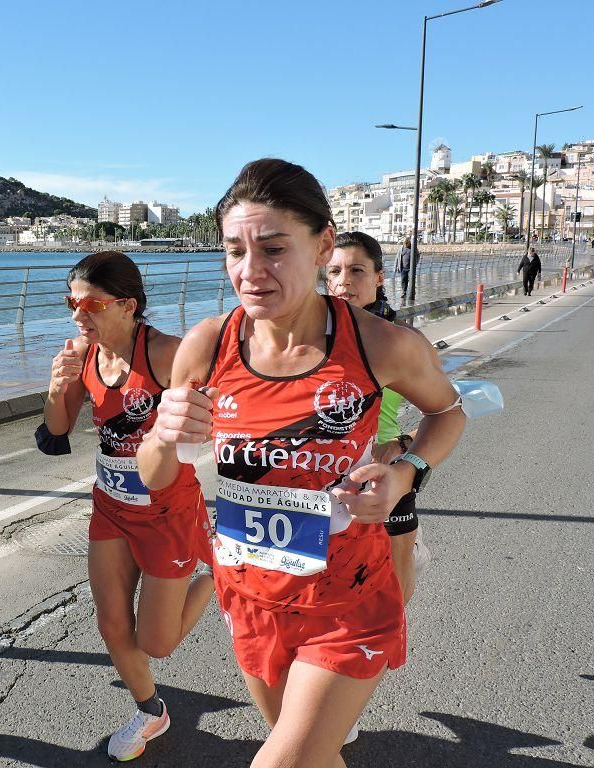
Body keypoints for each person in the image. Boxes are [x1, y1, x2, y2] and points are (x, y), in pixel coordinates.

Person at [137, 159, 465, 768]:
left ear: (323, 245)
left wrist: (404, 473)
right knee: (313, 756)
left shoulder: (381, 345)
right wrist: (160, 434)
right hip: (250, 595)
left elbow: (449, 413)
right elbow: (159, 474)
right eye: (234, 250)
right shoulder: (207, 345)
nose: (250, 271)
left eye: (273, 248)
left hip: (347, 600)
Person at [36, 250, 215, 762]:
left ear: (127, 305)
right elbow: (55, 431)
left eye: (88, 303)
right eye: (71, 301)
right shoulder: (82, 353)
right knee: (112, 626)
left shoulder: (167, 355)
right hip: (111, 507)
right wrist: (57, 384)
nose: (76, 314)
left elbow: (216, 420)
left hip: (167, 513)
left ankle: (220, 577)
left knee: (157, 643)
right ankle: (150, 709)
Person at [324, 231, 431, 605]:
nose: (343, 282)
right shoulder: (312, 339)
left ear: (380, 277)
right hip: (326, 472)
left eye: (356, 270)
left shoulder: (401, 339)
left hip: (384, 472)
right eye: (334, 271)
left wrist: (403, 451)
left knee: (396, 571)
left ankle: (388, 647)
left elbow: (449, 411)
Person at [393, 237, 412, 302]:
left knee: (411, 280)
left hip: (410, 268)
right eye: (405, 243)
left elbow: (417, 255)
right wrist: (395, 267)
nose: (406, 244)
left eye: (407, 243)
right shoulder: (401, 248)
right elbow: (397, 258)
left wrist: (415, 263)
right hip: (403, 268)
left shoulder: (412, 248)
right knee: (403, 280)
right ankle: (404, 292)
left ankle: (412, 291)